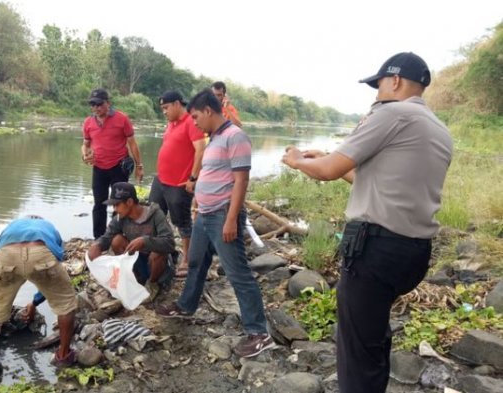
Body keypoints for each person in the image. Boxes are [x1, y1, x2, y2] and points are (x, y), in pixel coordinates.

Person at [281, 52, 453, 393]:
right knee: (372, 336)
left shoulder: (391, 113)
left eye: (378, 85)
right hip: (413, 252)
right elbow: (371, 180)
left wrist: (298, 160)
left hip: (376, 247)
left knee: (357, 351)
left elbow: (328, 171)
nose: (376, 93)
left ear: (396, 81)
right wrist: (327, 161)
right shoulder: (438, 129)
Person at [156, 89, 272, 358]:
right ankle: (186, 306)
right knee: (196, 262)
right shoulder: (215, 138)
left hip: (222, 215)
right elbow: (211, 174)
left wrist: (231, 219)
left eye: (195, 116)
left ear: (208, 111)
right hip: (205, 215)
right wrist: (198, 202)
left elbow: (241, 181)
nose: (193, 122)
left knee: (237, 273)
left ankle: (259, 333)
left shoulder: (236, 137)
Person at [0, 215, 78, 367]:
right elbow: (53, 280)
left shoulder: (12, 227)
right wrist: (36, 302)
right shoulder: (48, 227)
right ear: (40, 220)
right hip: (41, 251)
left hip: (7, 254)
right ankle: (63, 356)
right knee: (64, 303)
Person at [149, 91, 206, 278]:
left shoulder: (191, 121)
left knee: (182, 222)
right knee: (154, 215)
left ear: (176, 104)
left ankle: (187, 258)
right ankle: (165, 251)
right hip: (161, 180)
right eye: (162, 109)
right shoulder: (171, 123)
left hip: (179, 183)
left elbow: (200, 150)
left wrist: (193, 178)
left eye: (166, 108)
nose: (164, 112)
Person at [87, 182, 175, 301]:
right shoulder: (120, 217)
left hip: (157, 265)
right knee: (117, 240)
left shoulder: (155, 214)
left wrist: (145, 241)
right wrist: (97, 245)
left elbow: (170, 243)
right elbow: (107, 237)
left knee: (157, 253)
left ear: (129, 202)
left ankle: (152, 284)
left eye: (117, 205)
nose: (115, 209)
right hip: (136, 260)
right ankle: (133, 278)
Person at [82, 88, 144, 239]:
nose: (96, 108)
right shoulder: (88, 122)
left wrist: (139, 166)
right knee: (99, 204)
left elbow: (132, 144)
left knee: (120, 204)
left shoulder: (122, 119)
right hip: (99, 168)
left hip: (119, 167)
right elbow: (85, 144)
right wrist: (85, 155)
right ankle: (99, 238)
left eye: (99, 104)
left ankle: (117, 236)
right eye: (93, 105)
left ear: (108, 103)